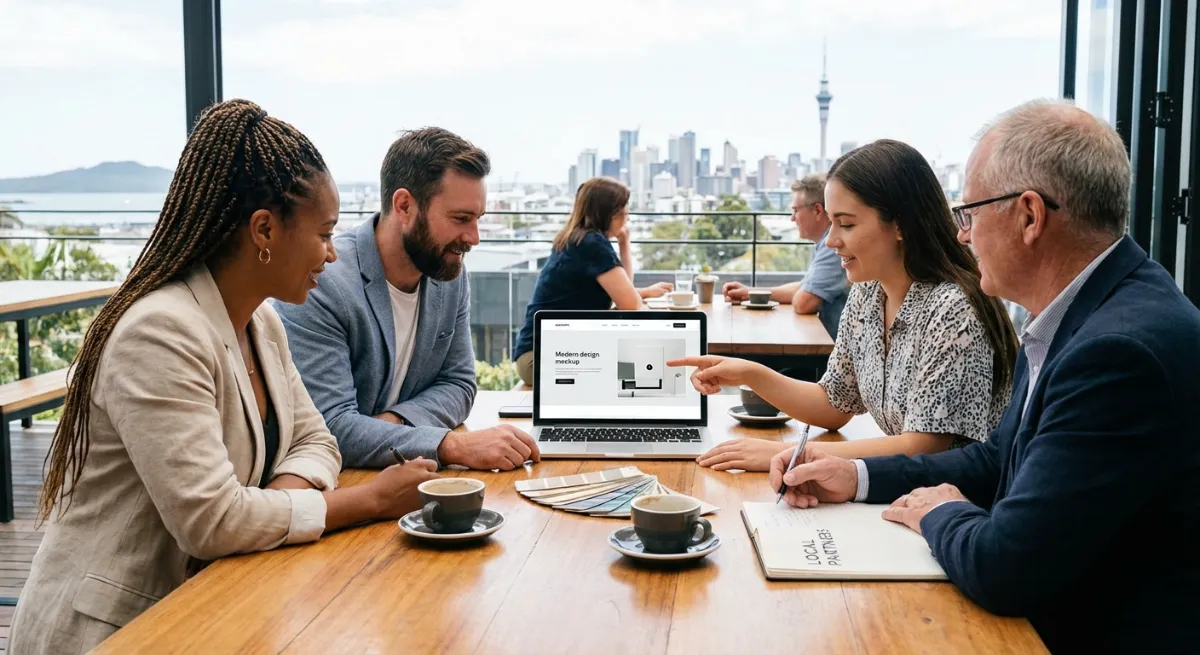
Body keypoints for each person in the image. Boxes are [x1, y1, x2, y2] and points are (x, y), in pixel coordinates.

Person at [9, 100, 441, 654]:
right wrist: (374, 500)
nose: (332, 255)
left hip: (207, 605)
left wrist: (277, 503)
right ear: (264, 229)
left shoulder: (260, 321)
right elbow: (211, 521)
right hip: (111, 630)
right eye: (324, 234)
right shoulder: (159, 332)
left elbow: (317, 440)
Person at [770, 100, 1200, 653]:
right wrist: (854, 476)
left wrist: (938, 512)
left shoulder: (1117, 352)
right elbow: (996, 458)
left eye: (969, 213)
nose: (963, 235)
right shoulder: (1087, 312)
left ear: (1029, 216)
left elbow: (1009, 566)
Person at [675, 139, 1019, 473]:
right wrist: (751, 373)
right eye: (832, 223)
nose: (831, 240)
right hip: (905, 492)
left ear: (899, 225)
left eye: (847, 224)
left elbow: (924, 446)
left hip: (962, 509)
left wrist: (787, 453)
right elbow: (834, 404)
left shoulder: (952, 308)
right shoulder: (867, 294)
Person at [277, 127, 539, 470]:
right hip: (337, 485)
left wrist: (393, 423)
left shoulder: (450, 273)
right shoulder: (323, 282)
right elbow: (331, 427)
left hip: (406, 476)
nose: (473, 238)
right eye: (461, 219)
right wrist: (449, 445)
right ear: (404, 206)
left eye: (478, 220)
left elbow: (459, 384)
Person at [512, 177, 673, 387]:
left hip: (540, 353)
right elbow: (631, 306)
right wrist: (641, 301)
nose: (627, 217)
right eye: (624, 211)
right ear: (608, 213)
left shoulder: (578, 238)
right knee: (640, 365)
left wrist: (624, 244)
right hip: (540, 360)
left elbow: (623, 290)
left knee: (634, 364)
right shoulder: (592, 244)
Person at [722, 173, 849, 337]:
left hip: (837, 352)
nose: (792, 218)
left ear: (817, 210)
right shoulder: (824, 243)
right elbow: (806, 287)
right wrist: (750, 292)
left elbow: (804, 302)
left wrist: (803, 293)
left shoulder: (832, 246)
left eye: (795, 210)